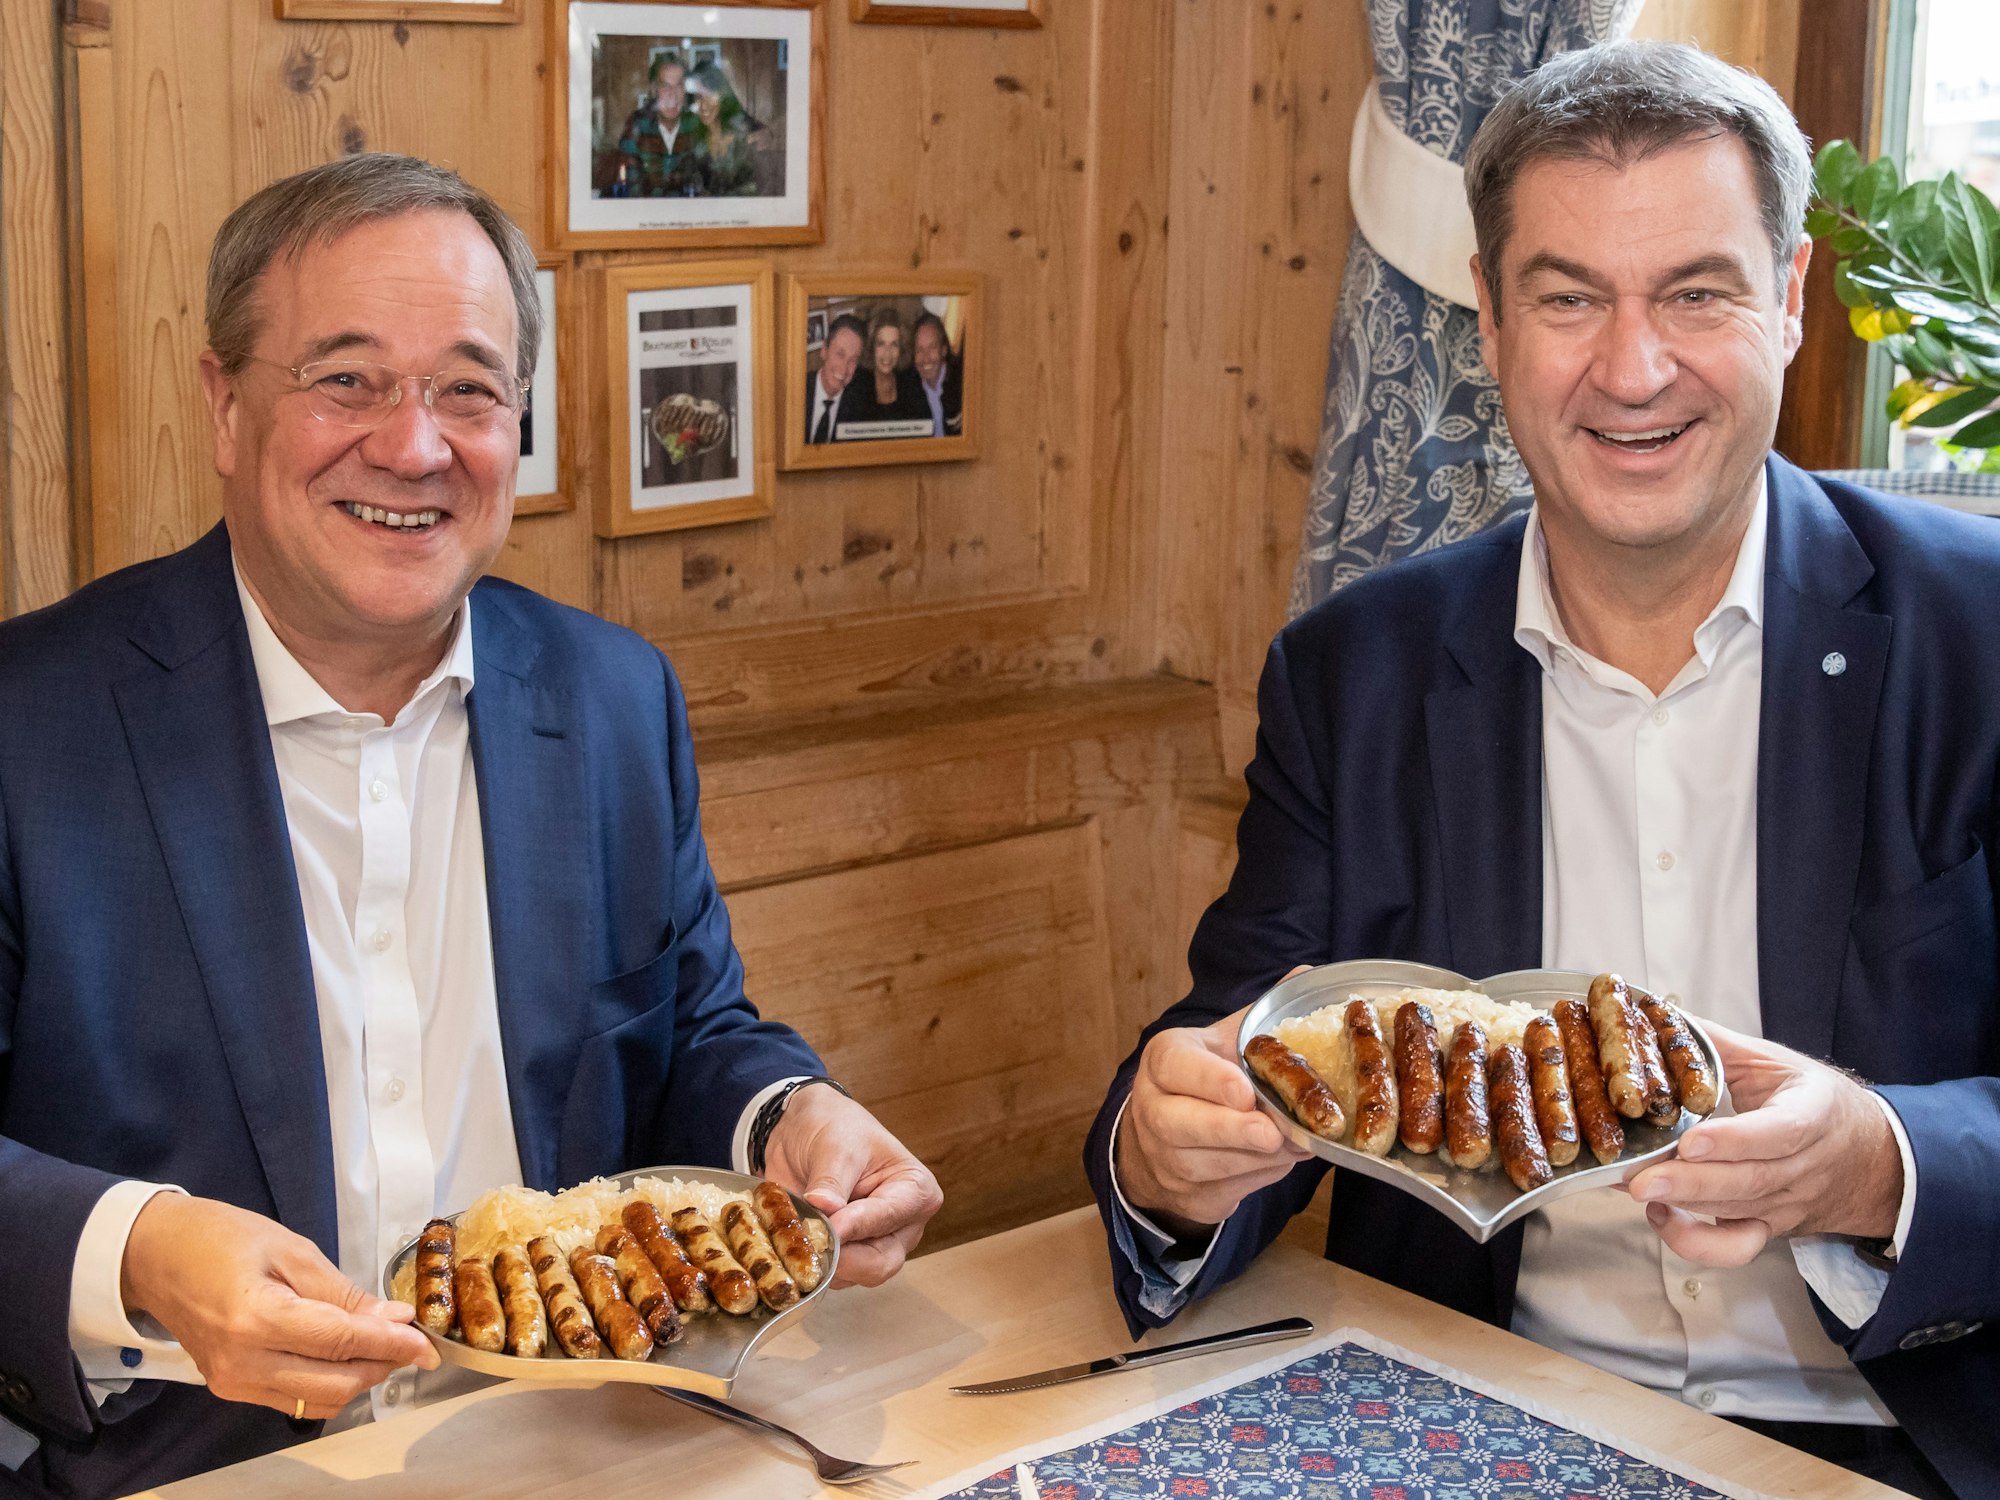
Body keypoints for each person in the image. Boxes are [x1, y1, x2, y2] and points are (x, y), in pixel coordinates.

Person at [1085, 40, 1995, 1500]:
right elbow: (1223, 1062)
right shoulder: (1352, 673)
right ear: (1491, 322)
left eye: (1696, 292)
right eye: (1570, 298)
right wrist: (1165, 1162)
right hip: (1468, 1427)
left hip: (1902, 1450)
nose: (1633, 371)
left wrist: (1886, 1161)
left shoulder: (1982, 631)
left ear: (1791, 300)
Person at [0, 154, 942, 1498]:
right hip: (178, 1470)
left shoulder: (616, 700)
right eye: (346, 380)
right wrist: (137, 1249)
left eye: (468, 389)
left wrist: (786, 1119)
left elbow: (690, 1031)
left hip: (600, 1450)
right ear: (222, 403)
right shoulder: (28, 724)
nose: (415, 444)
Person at [615, 55, 703, 197]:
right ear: (654, 89)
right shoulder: (637, 124)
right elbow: (629, 186)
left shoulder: (696, 126)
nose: (672, 95)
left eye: (678, 86)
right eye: (665, 86)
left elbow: (705, 182)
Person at [838, 317, 930, 435]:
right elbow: (847, 435)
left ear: (901, 349)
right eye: (881, 344)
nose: (887, 353)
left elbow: (925, 427)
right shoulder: (857, 384)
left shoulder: (911, 379)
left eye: (894, 345)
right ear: (872, 347)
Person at [685, 64, 758, 198]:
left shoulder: (743, 134)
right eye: (698, 97)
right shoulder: (694, 139)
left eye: (710, 94)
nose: (704, 105)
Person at [805, 315, 864, 444]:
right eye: (840, 354)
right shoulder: (798, 390)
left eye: (853, 360)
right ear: (824, 351)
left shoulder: (859, 409)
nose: (844, 369)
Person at [912, 312, 963, 439]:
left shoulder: (962, 384)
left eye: (932, 347)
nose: (926, 358)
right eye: (919, 350)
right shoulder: (909, 392)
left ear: (944, 350)